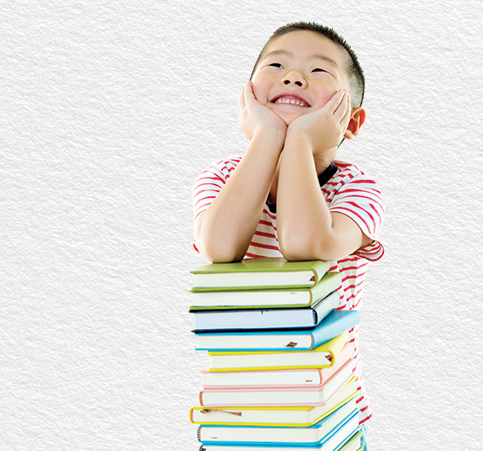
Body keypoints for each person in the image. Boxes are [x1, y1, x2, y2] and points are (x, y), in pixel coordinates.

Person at [192, 22, 384, 448]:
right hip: (237, 418)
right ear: (247, 97)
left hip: (327, 418)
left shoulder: (356, 190)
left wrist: (296, 141)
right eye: (276, 64)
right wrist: (268, 136)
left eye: (320, 72)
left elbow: (305, 247)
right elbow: (220, 248)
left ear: (350, 121)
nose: (293, 77)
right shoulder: (218, 178)